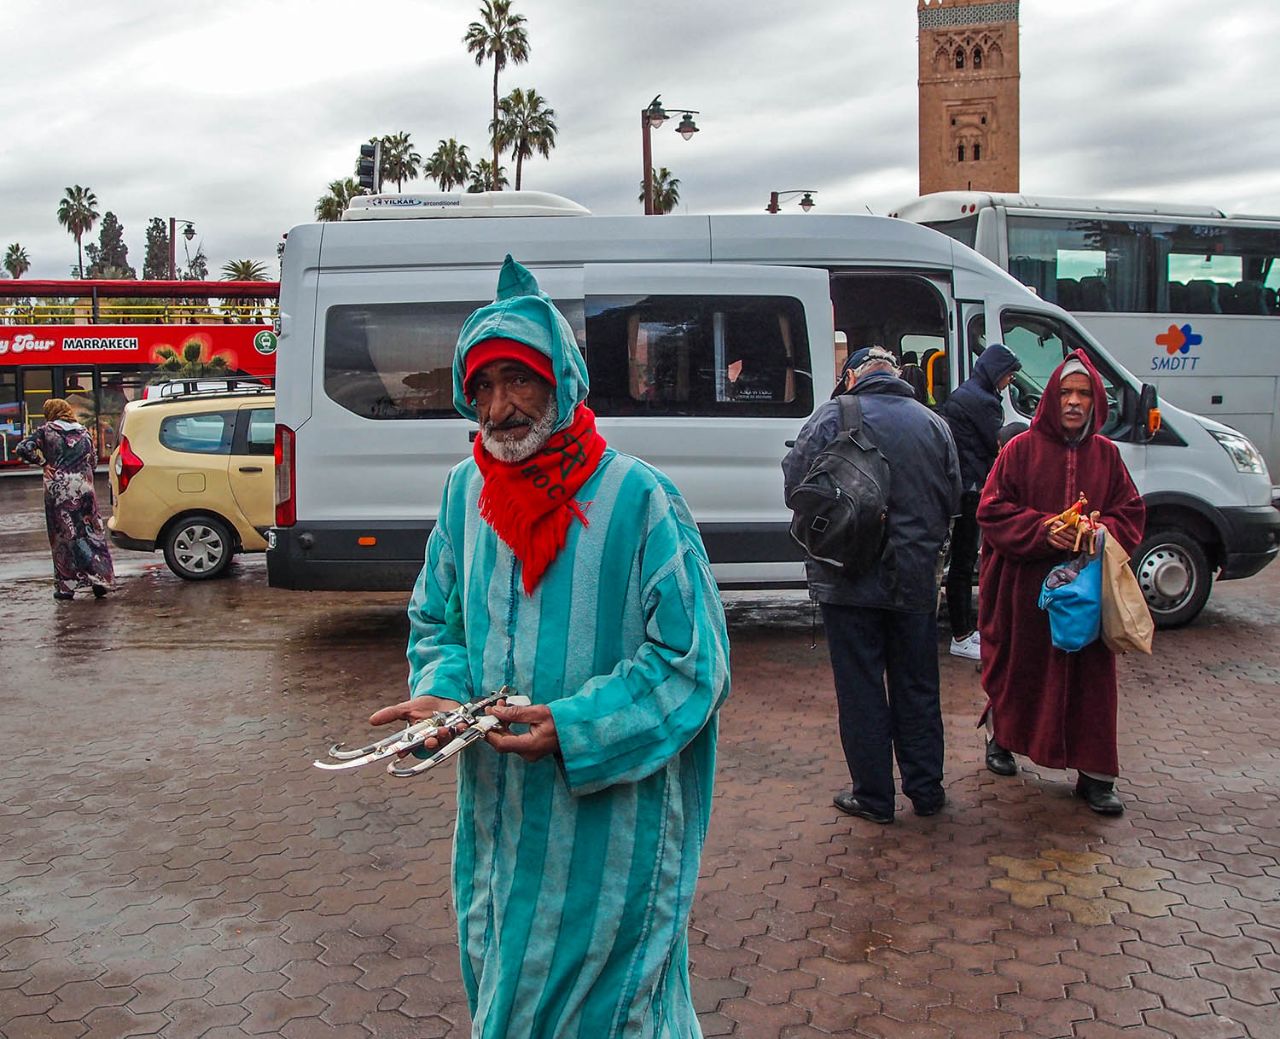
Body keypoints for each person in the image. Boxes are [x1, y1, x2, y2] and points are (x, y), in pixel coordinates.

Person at [369, 256, 731, 1038]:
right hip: (498, 830)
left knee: (615, 1014)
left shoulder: (640, 500)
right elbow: (440, 620)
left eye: (519, 381)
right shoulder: (465, 492)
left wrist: (574, 726)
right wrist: (443, 697)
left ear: (563, 382)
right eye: (484, 386)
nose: (499, 408)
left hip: (612, 841)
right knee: (505, 993)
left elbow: (693, 663)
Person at [783, 346, 961, 824]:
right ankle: (926, 791)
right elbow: (952, 496)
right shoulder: (933, 423)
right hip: (915, 580)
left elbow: (796, 489)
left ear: (851, 377)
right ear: (898, 376)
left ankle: (874, 798)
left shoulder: (829, 419)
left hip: (848, 577)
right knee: (918, 686)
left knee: (861, 688)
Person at [976, 351, 1145, 814]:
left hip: (1085, 593)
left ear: (1096, 403)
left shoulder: (1107, 456)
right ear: (1051, 397)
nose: (1074, 402)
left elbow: (1130, 513)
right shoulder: (1020, 450)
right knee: (1019, 668)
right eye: (1067, 393)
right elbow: (990, 510)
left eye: (1083, 394)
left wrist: (1099, 530)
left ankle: (1095, 776)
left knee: (1091, 681)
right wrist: (1042, 528)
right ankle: (1001, 737)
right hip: (1025, 589)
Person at [938, 344, 1023, 659]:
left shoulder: (966, 392)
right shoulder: (984, 402)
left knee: (957, 563)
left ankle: (963, 632)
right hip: (972, 489)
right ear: (996, 373)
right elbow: (995, 443)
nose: (1009, 382)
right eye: (1009, 376)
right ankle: (961, 634)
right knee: (963, 563)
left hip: (959, 485)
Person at [15, 398, 114, 600]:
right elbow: (93, 460)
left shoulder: (46, 431)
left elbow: (23, 448)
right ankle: (99, 579)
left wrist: (43, 463)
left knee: (64, 537)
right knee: (91, 533)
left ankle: (66, 587)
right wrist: (83, 477)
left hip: (59, 490)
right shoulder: (83, 431)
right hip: (84, 487)